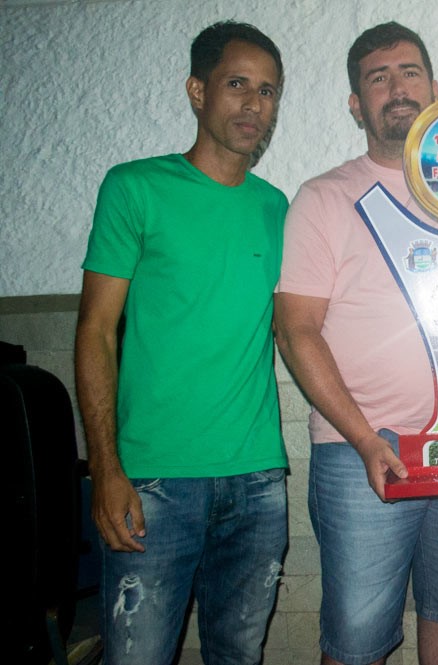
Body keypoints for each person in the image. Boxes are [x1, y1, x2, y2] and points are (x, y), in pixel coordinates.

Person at [273, 22, 438, 665]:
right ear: (355, 103)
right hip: (362, 448)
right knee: (356, 642)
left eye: (409, 73)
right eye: (379, 78)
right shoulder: (324, 197)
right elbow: (295, 329)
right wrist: (365, 439)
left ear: (435, 89)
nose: (397, 88)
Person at [74, 21, 288, 665]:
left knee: (239, 657)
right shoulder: (134, 188)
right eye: (237, 84)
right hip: (153, 483)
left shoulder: (277, 208)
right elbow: (94, 331)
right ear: (198, 91)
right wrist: (106, 470)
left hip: (257, 481)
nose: (254, 104)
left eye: (268, 91)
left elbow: (304, 326)